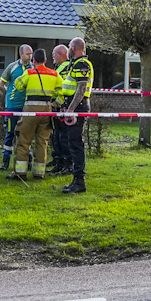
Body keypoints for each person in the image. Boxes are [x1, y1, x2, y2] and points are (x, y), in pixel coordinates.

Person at [12, 48, 65, 179]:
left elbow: (18, 85)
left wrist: (26, 72)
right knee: (42, 142)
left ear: (34, 60)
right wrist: (56, 103)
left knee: (23, 140)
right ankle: (38, 173)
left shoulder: (29, 72)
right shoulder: (54, 74)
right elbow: (65, 91)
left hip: (30, 110)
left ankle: (20, 173)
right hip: (47, 111)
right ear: (45, 60)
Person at [54, 37, 94, 194]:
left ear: (73, 48)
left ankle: (79, 181)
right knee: (71, 142)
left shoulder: (82, 64)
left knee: (76, 144)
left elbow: (81, 89)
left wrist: (71, 109)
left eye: (69, 47)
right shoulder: (75, 64)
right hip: (73, 106)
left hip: (78, 107)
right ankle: (76, 179)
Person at [0, 44, 33, 170]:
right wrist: (8, 96)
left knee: (26, 135)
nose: (30, 56)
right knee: (10, 133)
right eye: (27, 54)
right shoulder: (12, 67)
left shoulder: (33, 68)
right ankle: (5, 160)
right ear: (21, 54)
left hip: (27, 107)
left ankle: (27, 159)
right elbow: (0, 85)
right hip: (12, 107)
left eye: (31, 54)